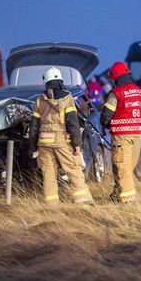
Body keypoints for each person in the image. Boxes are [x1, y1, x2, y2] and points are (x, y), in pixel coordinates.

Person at [29, 67, 92, 205]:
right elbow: (73, 123)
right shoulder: (67, 98)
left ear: (46, 82)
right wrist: (76, 145)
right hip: (62, 142)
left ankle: (51, 207)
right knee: (74, 171)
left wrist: (33, 147)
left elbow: (34, 127)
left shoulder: (40, 100)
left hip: (44, 144)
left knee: (49, 175)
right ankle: (83, 202)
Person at [100, 61, 141, 203]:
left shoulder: (116, 93)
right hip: (137, 135)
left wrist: (105, 125)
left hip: (122, 136)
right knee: (129, 167)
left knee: (122, 167)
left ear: (115, 77)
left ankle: (127, 201)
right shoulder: (140, 91)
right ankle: (118, 194)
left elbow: (106, 114)